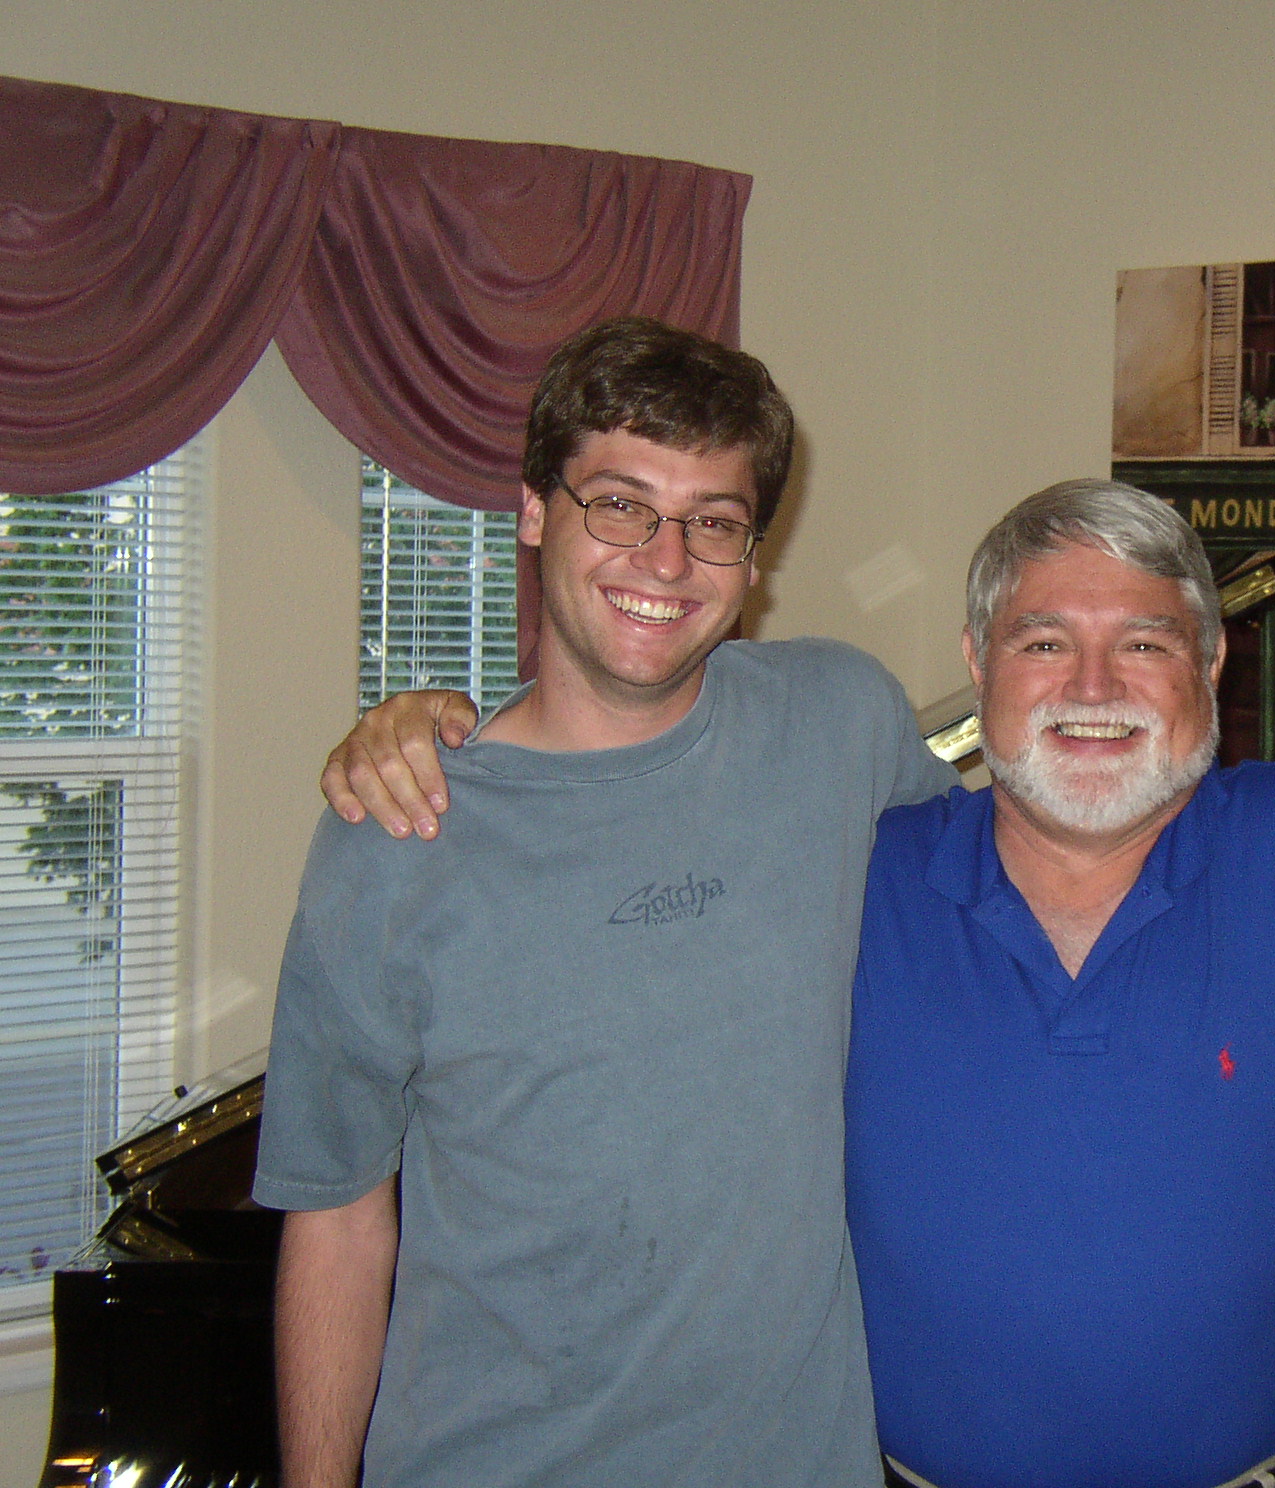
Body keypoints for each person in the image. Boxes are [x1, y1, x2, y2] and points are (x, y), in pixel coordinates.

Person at [325, 484, 1275, 1488]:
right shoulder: (851, 874)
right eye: (1044, 641)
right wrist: (460, 738)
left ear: (1213, 670)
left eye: (1146, 646)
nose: (1091, 687)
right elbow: (623, 815)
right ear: (978, 662)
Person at [252, 318, 956, 1488]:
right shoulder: (396, 835)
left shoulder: (839, 726)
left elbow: (1025, 877)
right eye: (620, 505)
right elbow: (335, 1219)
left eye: (713, 522)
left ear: (754, 556)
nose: (665, 561)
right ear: (535, 511)